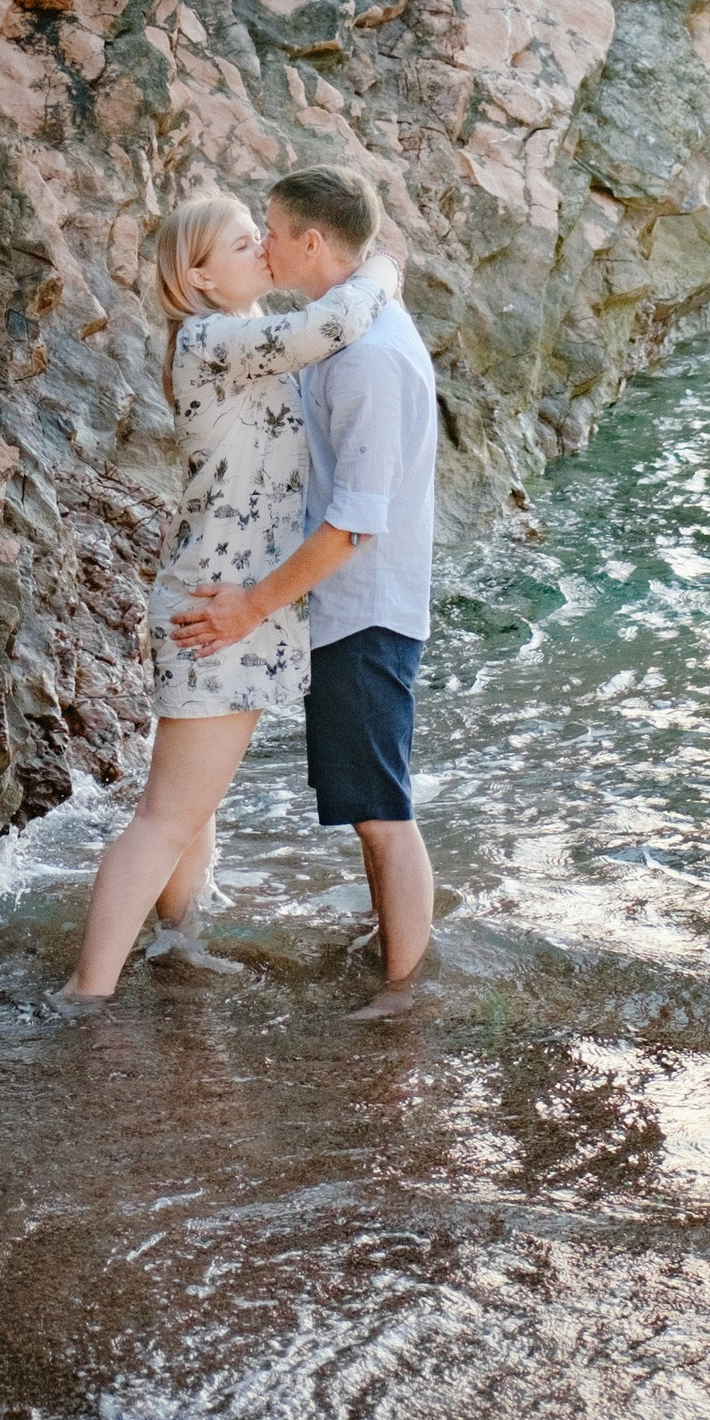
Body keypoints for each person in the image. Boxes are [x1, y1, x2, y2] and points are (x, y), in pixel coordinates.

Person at [61, 191, 390, 1001]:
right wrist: (380, 271)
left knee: (193, 808)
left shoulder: (233, 337)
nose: (262, 251)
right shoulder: (213, 339)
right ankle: (86, 993)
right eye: (244, 244)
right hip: (216, 607)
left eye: (259, 236)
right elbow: (331, 326)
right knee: (167, 814)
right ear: (201, 277)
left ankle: (176, 946)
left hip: (227, 597)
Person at [174, 162, 438, 1017]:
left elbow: (354, 523)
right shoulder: (346, 331)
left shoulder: (367, 359)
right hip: (345, 605)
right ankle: (387, 947)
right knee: (367, 803)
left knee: (383, 811)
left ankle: (403, 994)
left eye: (276, 233)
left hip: (363, 607)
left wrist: (251, 606)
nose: (267, 245)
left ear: (314, 243)